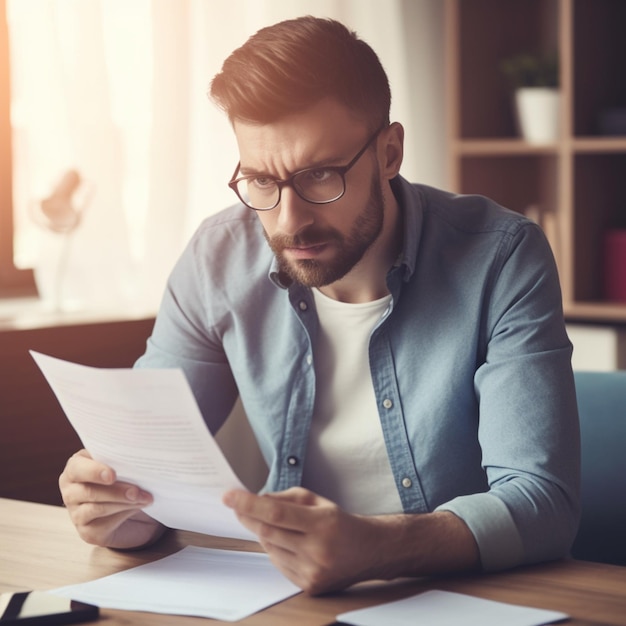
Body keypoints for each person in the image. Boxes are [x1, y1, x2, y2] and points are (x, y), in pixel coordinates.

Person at [58, 16, 580, 595]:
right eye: (260, 180)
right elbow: (145, 468)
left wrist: (380, 546)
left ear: (389, 152)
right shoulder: (218, 256)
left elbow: (543, 503)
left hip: (461, 601)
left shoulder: (502, 257)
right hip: (289, 601)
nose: (288, 221)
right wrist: (118, 510)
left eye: (319, 176)